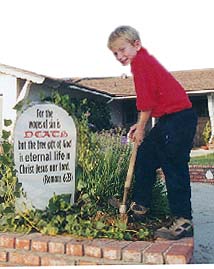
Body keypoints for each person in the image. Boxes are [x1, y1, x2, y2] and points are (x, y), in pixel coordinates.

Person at [107, 25, 197, 240]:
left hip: (179, 119)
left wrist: (141, 126)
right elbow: (151, 101)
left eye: (122, 50)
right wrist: (140, 126)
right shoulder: (142, 62)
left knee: (173, 166)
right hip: (168, 119)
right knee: (146, 154)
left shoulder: (142, 64)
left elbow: (145, 102)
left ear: (136, 44)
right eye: (115, 53)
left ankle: (183, 221)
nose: (119, 56)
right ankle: (140, 205)